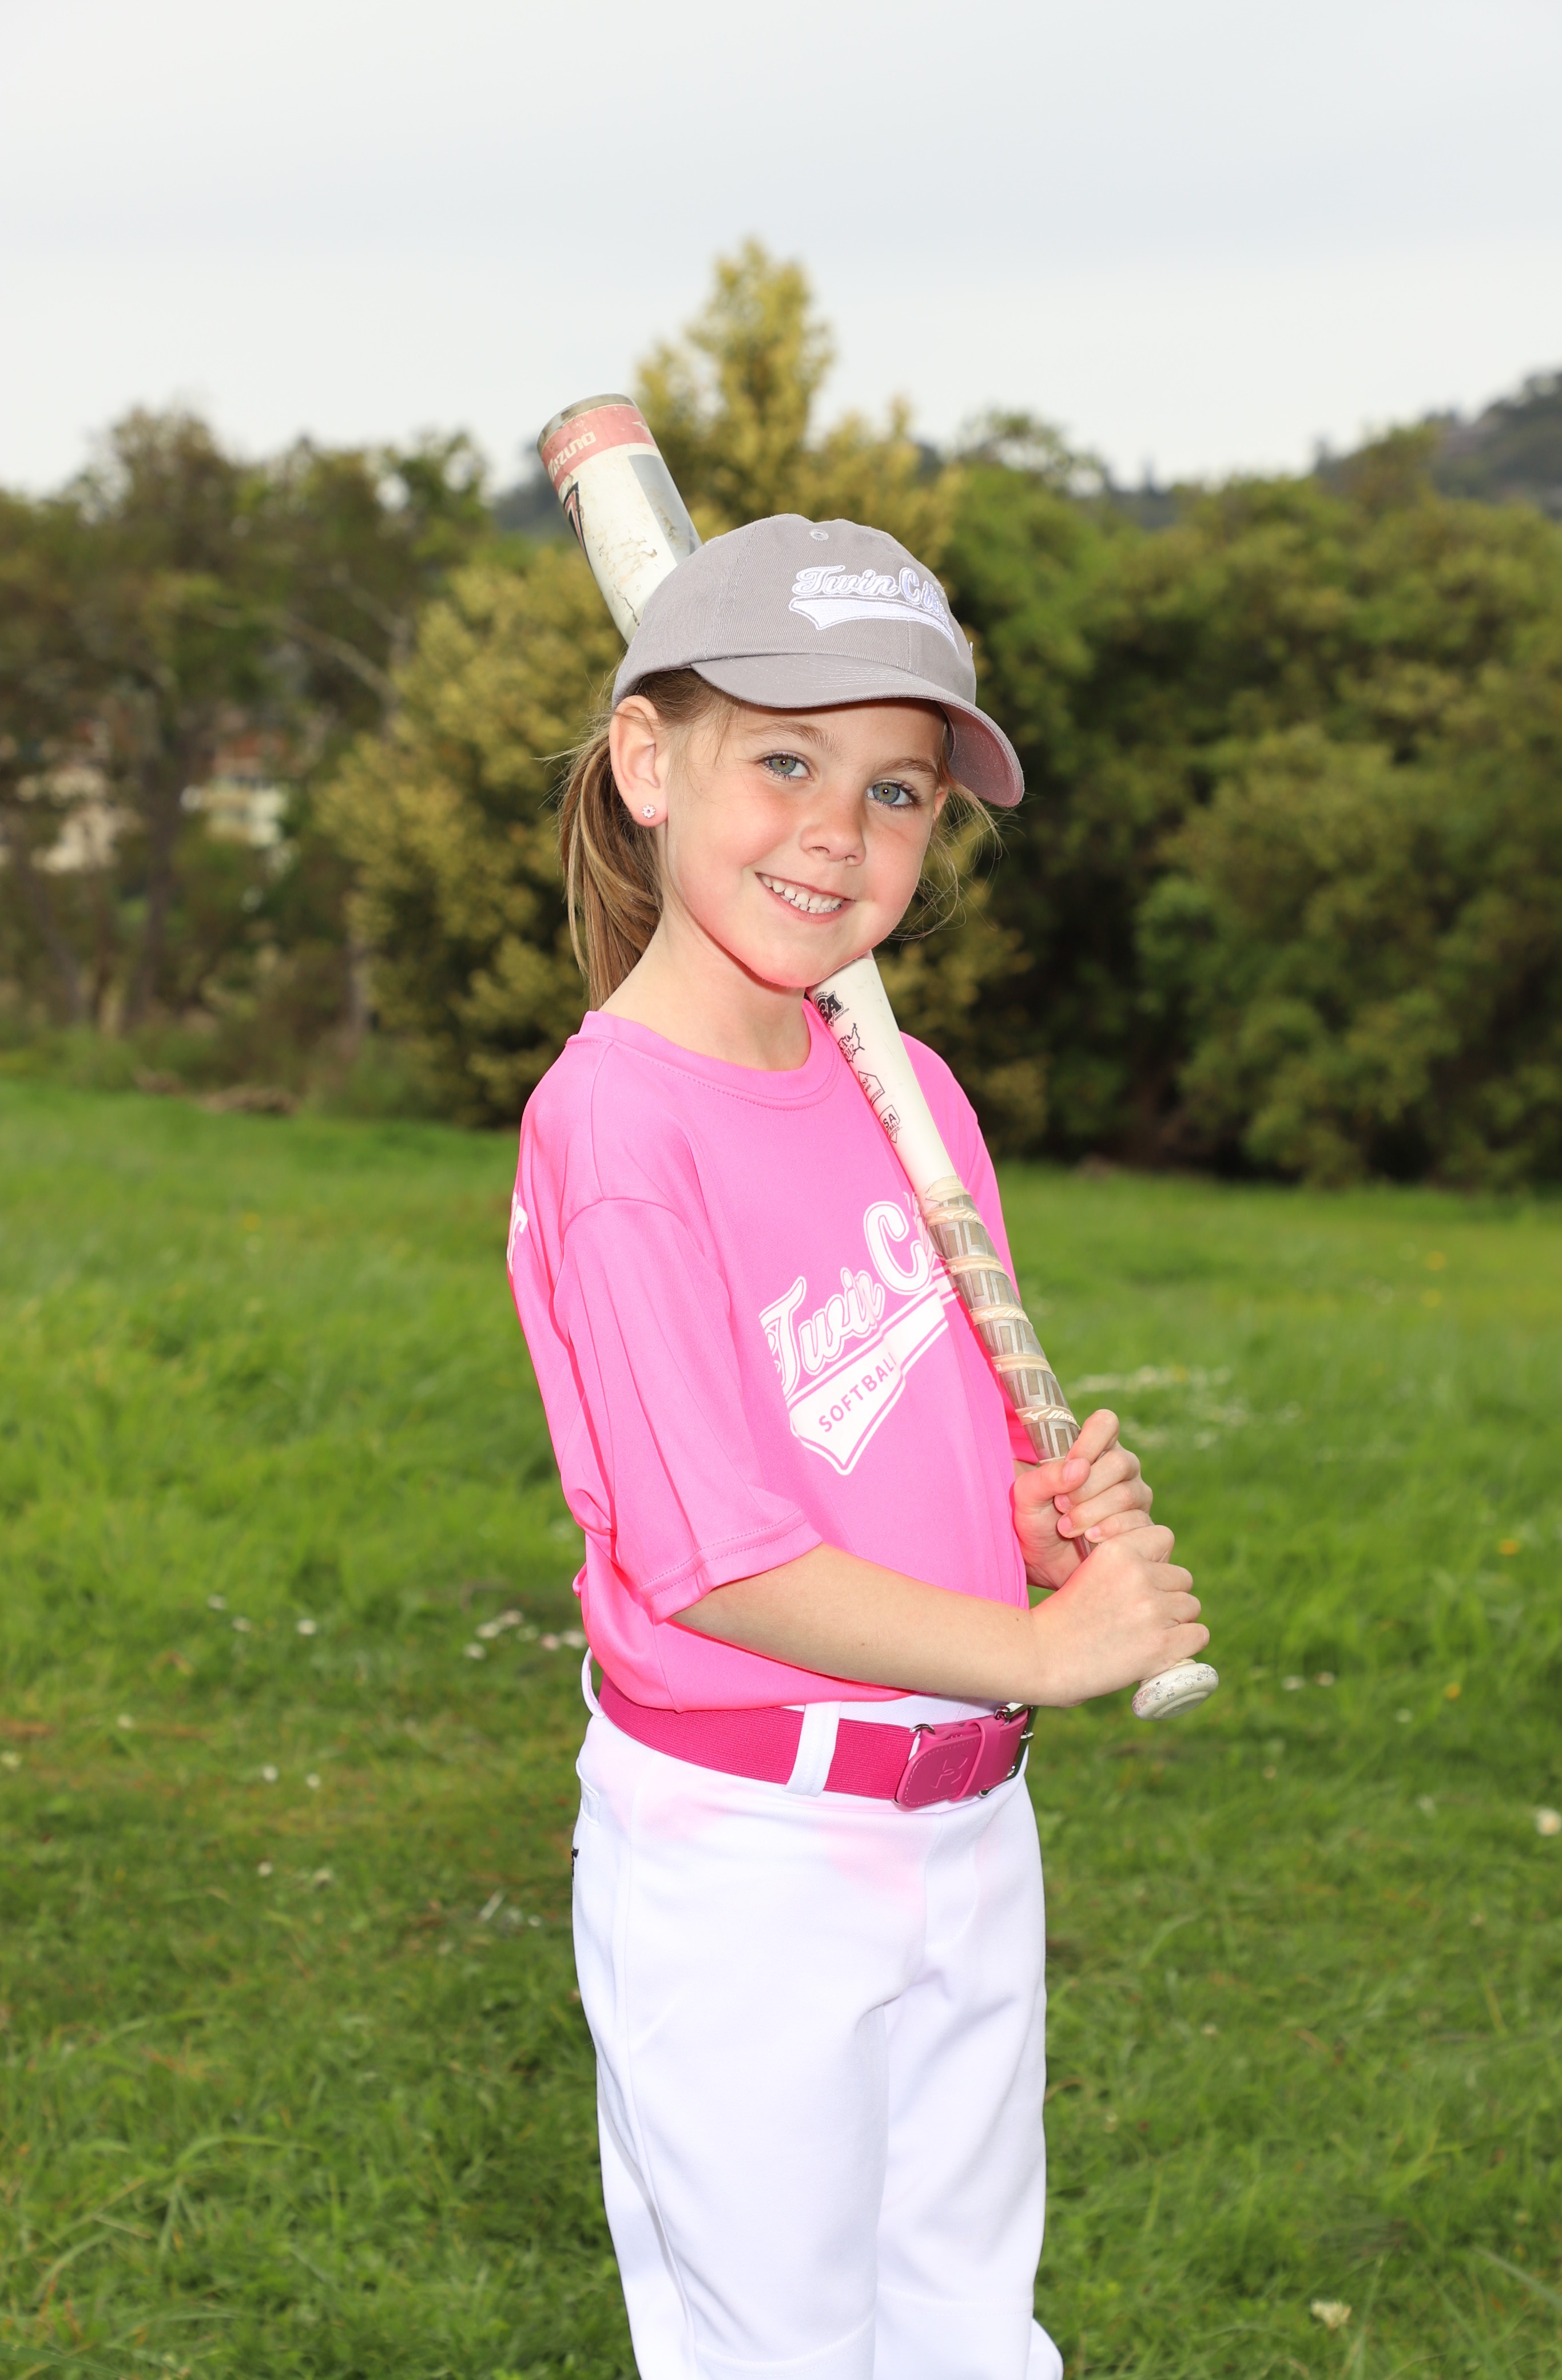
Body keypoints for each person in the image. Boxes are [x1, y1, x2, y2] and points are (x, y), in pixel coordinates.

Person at [507, 514, 1208, 2380]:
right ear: (650, 763)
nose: (838, 830)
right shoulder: (619, 1134)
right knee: (782, 2349)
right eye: (784, 761)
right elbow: (721, 1561)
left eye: (895, 789)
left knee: (969, 2332)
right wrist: (1046, 1646)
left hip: (967, 1816)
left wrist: (1024, 1527)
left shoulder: (910, 1096)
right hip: (749, 1849)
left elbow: (898, 1443)